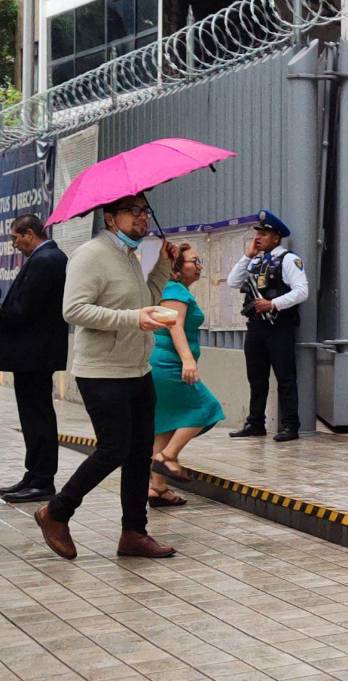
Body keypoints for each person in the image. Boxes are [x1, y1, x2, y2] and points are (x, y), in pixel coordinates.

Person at [35, 193, 177, 560]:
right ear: (110, 218)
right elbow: (74, 309)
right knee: (114, 447)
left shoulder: (129, 256)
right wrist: (132, 319)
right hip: (102, 371)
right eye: (133, 212)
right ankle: (56, 511)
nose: (142, 219)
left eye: (145, 211)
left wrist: (162, 267)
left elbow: (146, 301)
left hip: (137, 368)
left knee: (139, 453)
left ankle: (134, 533)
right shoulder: (92, 254)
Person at [147, 243, 226, 507]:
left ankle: (157, 488)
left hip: (166, 362)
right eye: (193, 260)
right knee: (206, 407)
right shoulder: (174, 290)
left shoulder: (177, 290)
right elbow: (174, 325)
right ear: (178, 267)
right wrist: (188, 359)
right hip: (169, 363)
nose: (199, 264)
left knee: (166, 425)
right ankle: (167, 456)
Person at [0, 215, 68, 503]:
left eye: (16, 238)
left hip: (35, 353)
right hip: (34, 353)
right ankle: (34, 474)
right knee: (32, 416)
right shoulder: (48, 258)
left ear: (29, 233)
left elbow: (23, 309)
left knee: (37, 416)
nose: (15, 244)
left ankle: (42, 480)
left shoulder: (46, 260)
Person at [227, 210, 309, 442]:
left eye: (264, 234)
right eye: (258, 234)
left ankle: (290, 425)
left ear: (276, 237)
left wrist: (273, 304)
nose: (258, 238)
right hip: (256, 327)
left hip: (278, 326)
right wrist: (246, 256)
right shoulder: (255, 260)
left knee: (285, 377)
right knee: (256, 377)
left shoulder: (288, 260)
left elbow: (302, 291)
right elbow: (233, 281)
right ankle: (255, 423)